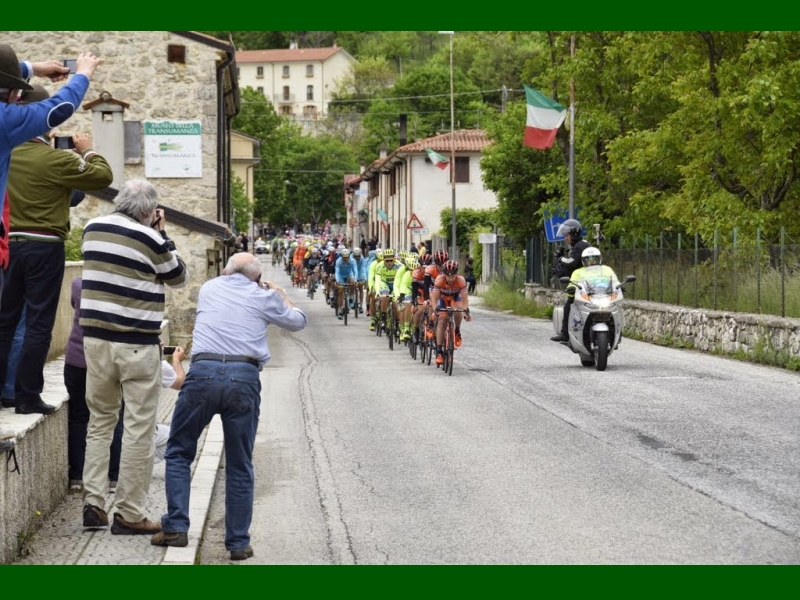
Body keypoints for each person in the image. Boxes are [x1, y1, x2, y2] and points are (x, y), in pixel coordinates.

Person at [152, 252, 307, 560]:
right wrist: (279, 295)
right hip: (244, 378)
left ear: (227, 270)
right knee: (240, 462)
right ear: (256, 277)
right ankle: (237, 543)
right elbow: (299, 321)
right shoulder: (264, 297)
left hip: (203, 374)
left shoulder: (210, 287)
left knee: (180, 451)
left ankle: (177, 526)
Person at [79, 178, 188, 535]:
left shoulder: (92, 228)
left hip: (94, 342)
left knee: (100, 423)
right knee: (138, 429)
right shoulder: (152, 238)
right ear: (149, 211)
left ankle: (93, 504)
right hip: (137, 344)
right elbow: (178, 277)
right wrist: (160, 231)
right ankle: (129, 512)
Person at [0, 86, 113, 415]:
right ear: (44, 123)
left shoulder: (7, 153)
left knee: (5, 322)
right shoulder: (55, 159)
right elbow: (102, 177)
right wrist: (88, 151)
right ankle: (27, 395)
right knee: (38, 323)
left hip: (10, 245)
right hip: (44, 246)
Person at [65, 277, 185, 491]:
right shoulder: (124, 283)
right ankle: (114, 477)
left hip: (77, 357)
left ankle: (77, 477)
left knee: (78, 417)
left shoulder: (78, 284)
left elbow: (77, 306)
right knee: (116, 417)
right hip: (109, 357)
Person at [0, 46, 102, 295]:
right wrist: (83, 74)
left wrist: (32, 68)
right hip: (44, 248)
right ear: (13, 94)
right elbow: (60, 107)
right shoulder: (6, 120)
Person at [550, 219, 590, 342]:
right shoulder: (583, 244)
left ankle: (565, 334)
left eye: (567, 235)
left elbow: (572, 262)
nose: (566, 238)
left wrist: (560, 258)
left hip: (583, 283)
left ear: (574, 234)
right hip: (588, 282)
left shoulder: (580, 246)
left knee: (569, 306)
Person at [430, 260, 472, 365]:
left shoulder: (461, 280)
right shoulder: (439, 279)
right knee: (442, 319)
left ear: (456, 273)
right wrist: (435, 310)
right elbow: (434, 298)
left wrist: (465, 311)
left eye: (453, 276)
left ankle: (457, 331)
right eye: (448, 276)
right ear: (444, 274)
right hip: (442, 298)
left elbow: (465, 300)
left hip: (454, 298)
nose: (450, 278)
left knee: (458, 309)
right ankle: (439, 351)